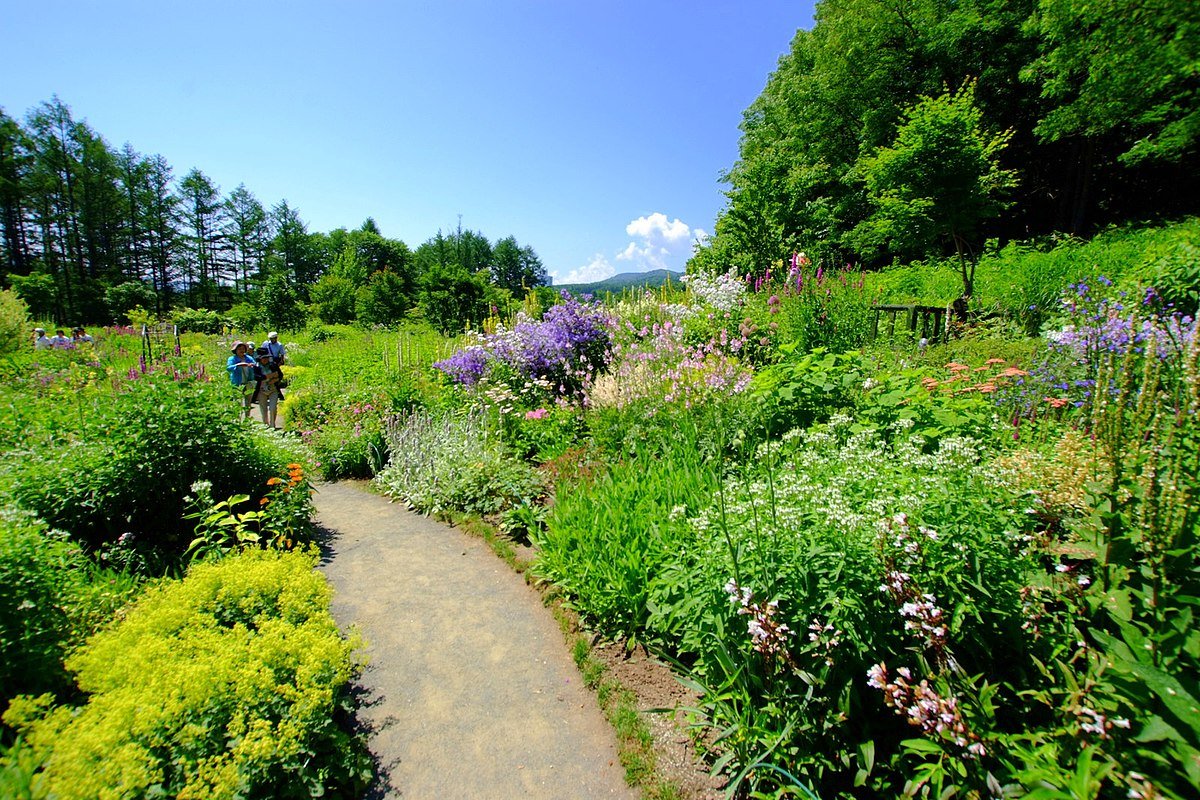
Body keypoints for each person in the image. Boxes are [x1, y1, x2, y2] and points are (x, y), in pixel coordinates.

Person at [251, 347, 284, 427]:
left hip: (273, 389)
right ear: (259, 359)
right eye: (263, 358)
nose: (265, 359)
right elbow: (256, 377)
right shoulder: (256, 367)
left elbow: (280, 375)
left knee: (273, 408)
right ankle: (265, 424)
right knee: (263, 409)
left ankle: (272, 425)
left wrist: (275, 379)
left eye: (267, 357)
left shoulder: (273, 365)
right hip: (261, 391)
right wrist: (269, 376)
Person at [226, 342, 257, 419]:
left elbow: (255, 365)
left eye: (243, 349)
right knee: (237, 402)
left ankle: (247, 419)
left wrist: (252, 365)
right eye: (239, 349)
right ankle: (237, 419)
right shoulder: (232, 359)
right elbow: (228, 368)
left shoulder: (248, 358)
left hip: (248, 382)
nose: (242, 350)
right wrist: (237, 365)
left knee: (248, 402)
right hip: (237, 383)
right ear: (235, 350)